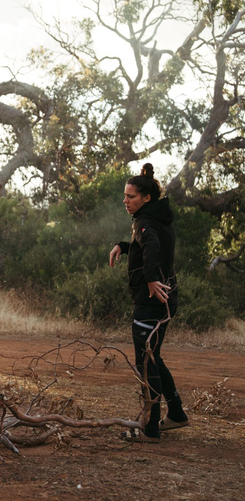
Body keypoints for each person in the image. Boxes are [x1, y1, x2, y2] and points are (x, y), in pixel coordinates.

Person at [109, 163, 189, 443]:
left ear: (146, 198)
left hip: (152, 301)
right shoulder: (157, 218)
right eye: (125, 196)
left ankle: (150, 427)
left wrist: (152, 279)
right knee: (153, 358)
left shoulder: (144, 221)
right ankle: (176, 414)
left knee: (145, 361)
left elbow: (152, 247)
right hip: (165, 300)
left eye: (131, 197)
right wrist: (125, 244)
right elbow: (148, 244)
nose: (126, 201)